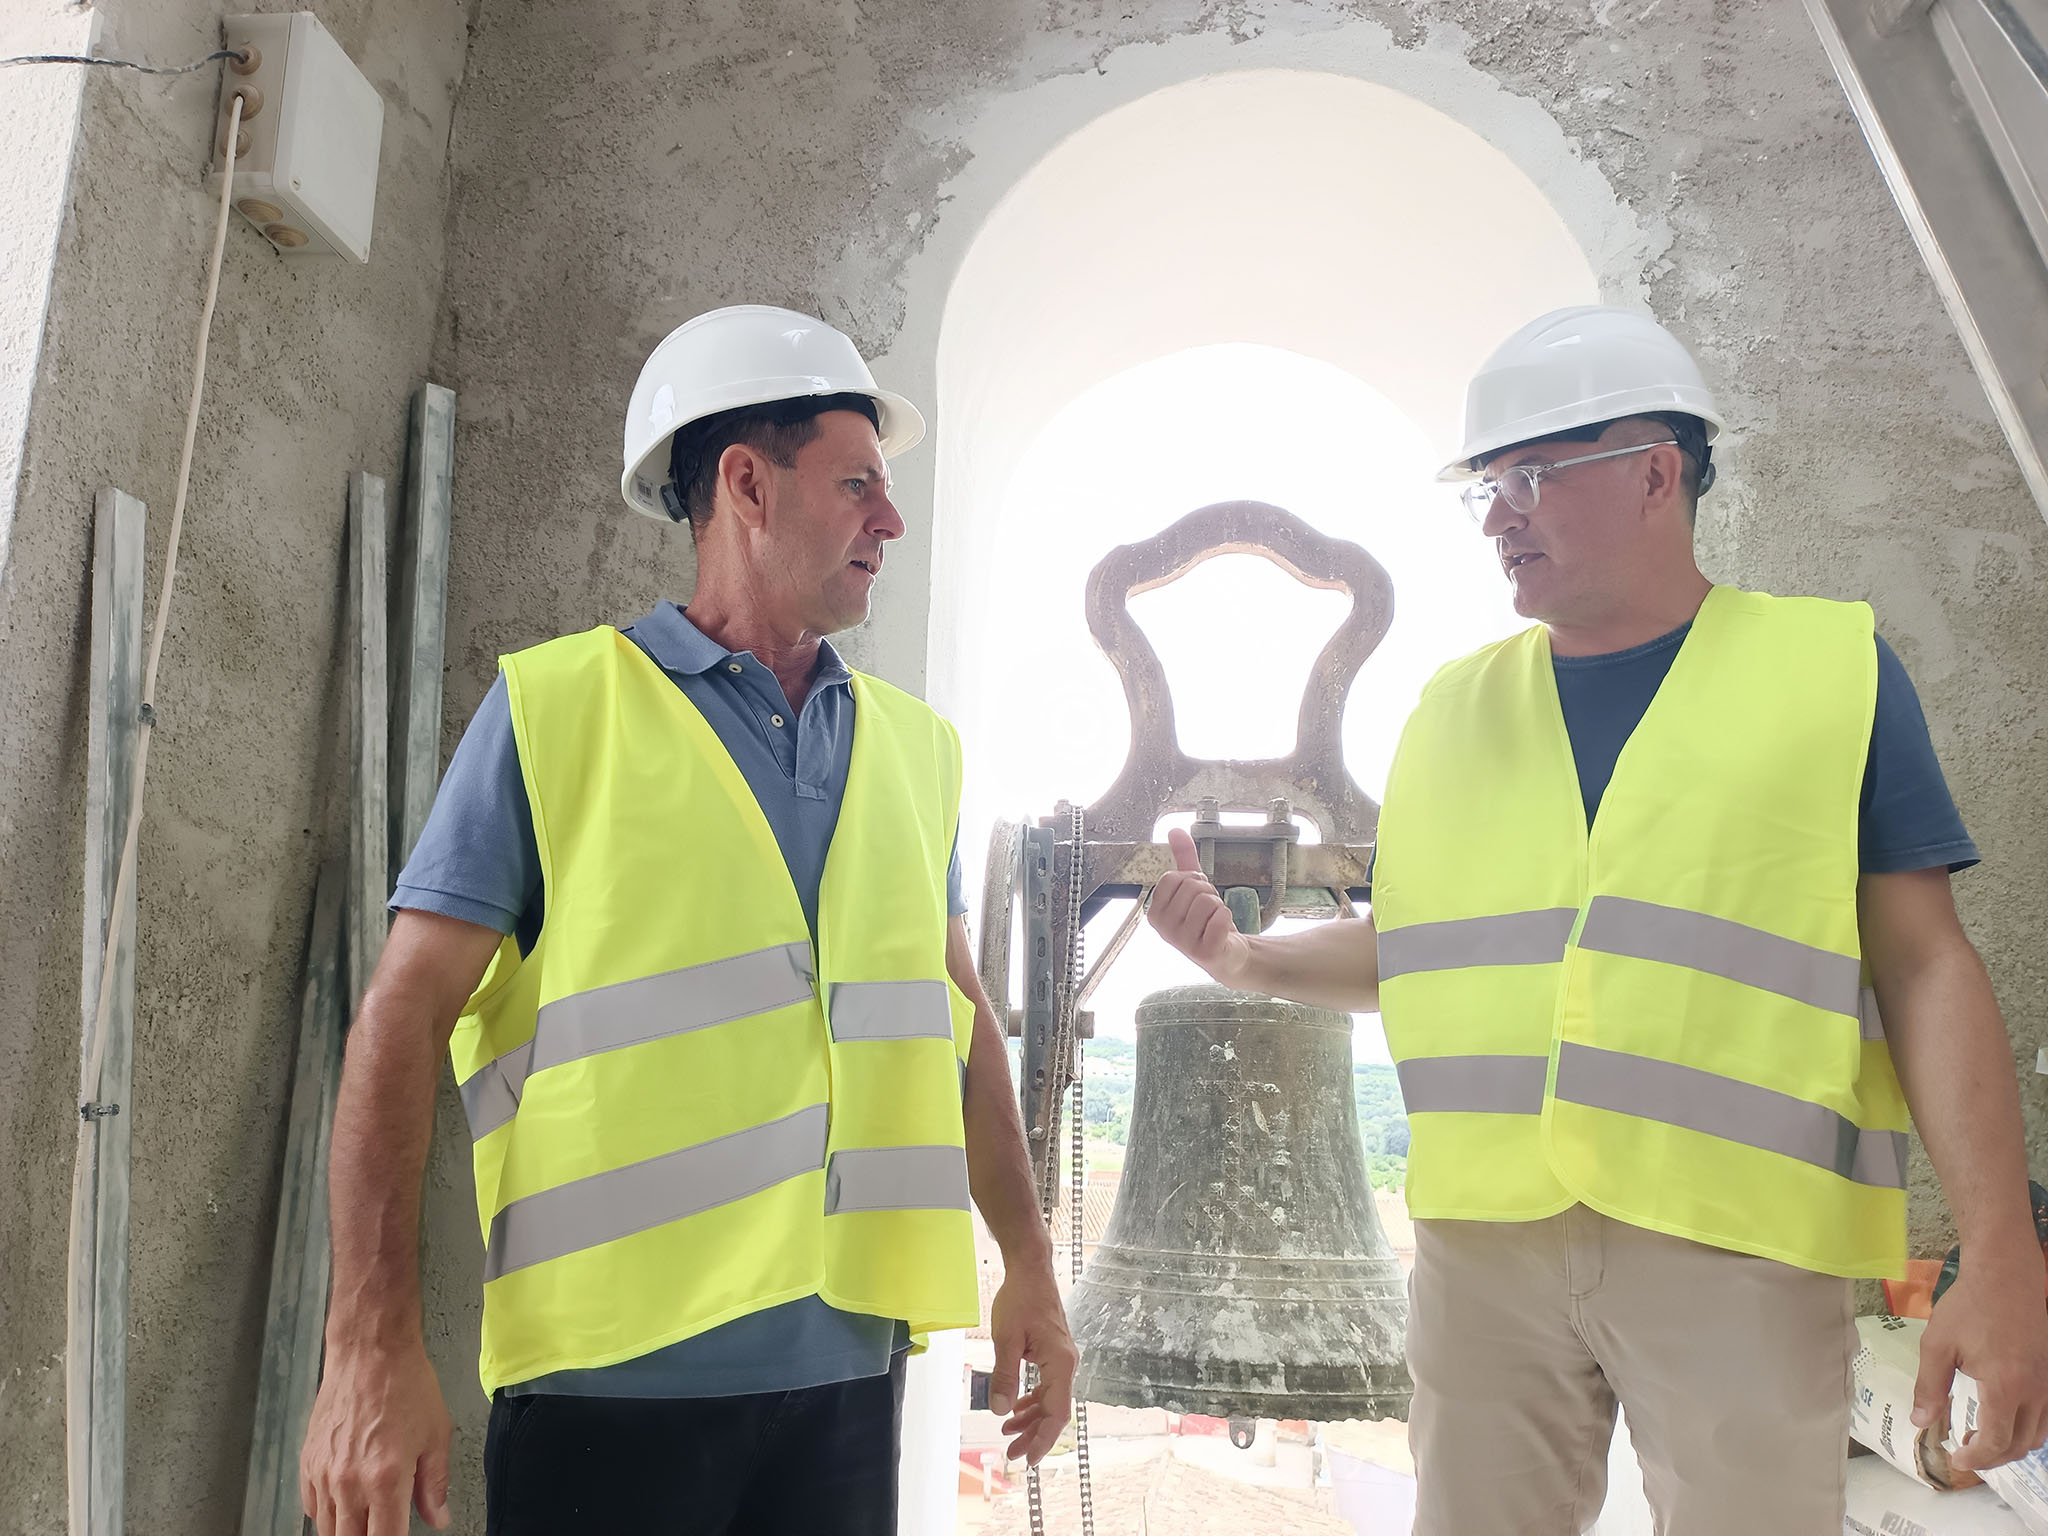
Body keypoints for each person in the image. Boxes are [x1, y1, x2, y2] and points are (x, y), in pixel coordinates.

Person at [1147, 305, 2048, 1533]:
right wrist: (1248, 958)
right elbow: (1420, 955)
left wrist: (1998, 1251)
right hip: (1483, 1249)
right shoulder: (1449, 712)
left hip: (1738, 1244)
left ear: (1653, 474)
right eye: (1484, 488)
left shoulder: (1831, 673)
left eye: (1527, 475)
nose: (1499, 513)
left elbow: (1924, 963)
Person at [300, 305, 1074, 1536]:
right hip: (610, 1389)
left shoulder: (911, 751)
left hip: (845, 1384)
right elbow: (398, 1021)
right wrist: (365, 1345)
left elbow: (962, 1023)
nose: (892, 520)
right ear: (747, 485)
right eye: (858, 484)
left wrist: (1026, 1260)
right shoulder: (556, 712)